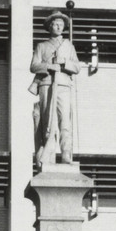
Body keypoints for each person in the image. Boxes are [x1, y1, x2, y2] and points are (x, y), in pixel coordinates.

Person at [30, 11, 80, 172]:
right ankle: (48, 157)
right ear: (49, 27)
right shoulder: (42, 46)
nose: (58, 27)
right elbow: (34, 66)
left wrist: (64, 62)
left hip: (64, 85)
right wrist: (49, 66)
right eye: (55, 24)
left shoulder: (69, 45)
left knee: (65, 121)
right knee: (48, 122)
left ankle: (67, 155)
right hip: (46, 84)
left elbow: (77, 67)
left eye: (61, 24)